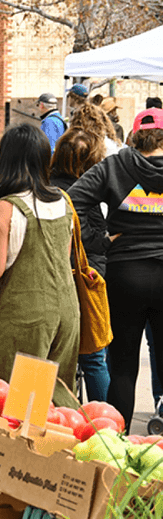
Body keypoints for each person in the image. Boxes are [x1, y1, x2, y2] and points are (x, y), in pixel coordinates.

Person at [68, 108, 163, 428]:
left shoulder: (116, 165)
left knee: (122, 366)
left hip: (125, 274)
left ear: (134, 136)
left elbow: (70, 203)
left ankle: (115, 441)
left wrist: (100, 240)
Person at [0, 123, 80, 408]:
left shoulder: (6, 207)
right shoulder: (64, 201)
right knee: (59, 399)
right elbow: (63, 255)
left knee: (21, 405)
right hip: (66, 310)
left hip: (27, 314)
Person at [49, 128, 110, 403]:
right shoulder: (82, 189)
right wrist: (106, 239)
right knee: (94, 356)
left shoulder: (45, 185)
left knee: (49, 352)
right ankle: (106, 425)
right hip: (84, 277)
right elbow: (86, 235)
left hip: (53, 276)